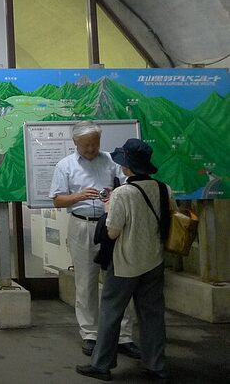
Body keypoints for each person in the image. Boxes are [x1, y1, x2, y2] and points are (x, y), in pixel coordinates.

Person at [77, 139, 175, 381]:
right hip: (154, 260)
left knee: (111, 312)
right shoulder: (164, 188)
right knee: (152, 315)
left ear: (127, 167)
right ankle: (156, 366)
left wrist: (109, 209)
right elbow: (170, 215)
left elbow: (112, 232)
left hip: (125, 263)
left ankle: (101, 365)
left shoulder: (123, 193)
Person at [49, 121, 140, 359]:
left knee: (120, 278)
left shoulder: (111, 160)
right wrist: (78, 196)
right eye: (86, 145)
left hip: (113, 225)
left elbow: (130, 184)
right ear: (75, 143)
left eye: (95, 143)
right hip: (82, 225)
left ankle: (123, 336)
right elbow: (57, 200)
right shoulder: (65, 165)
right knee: (86, 281)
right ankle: (90, 334)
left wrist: (115, 194)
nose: (91, 149)